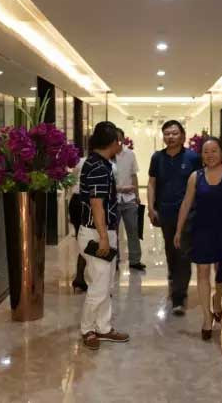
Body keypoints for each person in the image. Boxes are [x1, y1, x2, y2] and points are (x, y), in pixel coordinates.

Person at [174, 137, 222, 340]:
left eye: (214, 150)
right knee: (202, 271)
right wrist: (179, 230)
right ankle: (207, 318)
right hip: (201, 230)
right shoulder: (196, 176)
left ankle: (217, 299)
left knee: (221, 273)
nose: (210, 155)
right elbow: (186, 203)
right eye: (206, 152)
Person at [78, 121, 129, 350]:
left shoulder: (100, 163)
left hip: (101, 230)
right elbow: (96, 204)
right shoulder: (98, 167)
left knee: (104, 283)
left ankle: (103, 327)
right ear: (112, 142)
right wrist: (104, 238)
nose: (121, 144)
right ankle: (88, 329)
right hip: (96, 232)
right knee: (99, 286)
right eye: (119, 140)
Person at [148, 120, 201, 315]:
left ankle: (180, 296)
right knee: (170, 249)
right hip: (165, 212)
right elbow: (152, 183)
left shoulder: (193, 157)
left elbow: (200, 184)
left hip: (188, 214)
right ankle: (173, 277)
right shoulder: (157, 157)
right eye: (167, 133)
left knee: (183, 252)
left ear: (182, 136)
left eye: (174, 133)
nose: (170, 137)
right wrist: (151, 208)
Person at [113, 128, 145, 271]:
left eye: (119, 138)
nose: (117, 141)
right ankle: (114, 260)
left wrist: (137, 195)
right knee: (113, 232)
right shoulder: (108, 155)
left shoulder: (130, 154)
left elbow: (133, 175)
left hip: (129, 199)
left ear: (123, 139)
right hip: (113, 199)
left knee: (133, 230)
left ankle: (135, 260)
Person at [69, 156, 88, 292]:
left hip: (75, 201)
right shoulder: (106, 164)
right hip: (87, 202)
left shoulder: (81, 161)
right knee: (89, 239)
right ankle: (80, 277)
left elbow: (73, 180)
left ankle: (80, 277)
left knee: (82, 239)